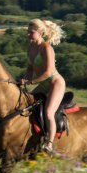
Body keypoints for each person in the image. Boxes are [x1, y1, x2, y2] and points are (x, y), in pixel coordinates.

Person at [19, 19, 66, 155]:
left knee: (48, 113)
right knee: (27, 104)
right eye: (27, 32)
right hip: (43, 84)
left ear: (40, 32)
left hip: (55, 83)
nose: (28, 34)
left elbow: (48, 72)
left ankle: (49, 145)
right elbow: (29, 69)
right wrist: (24, 80)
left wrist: (31, 82)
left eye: (31, 32)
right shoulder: (31, 48)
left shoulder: (47, 48)